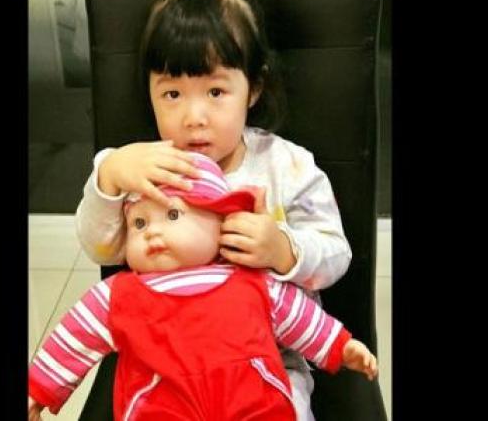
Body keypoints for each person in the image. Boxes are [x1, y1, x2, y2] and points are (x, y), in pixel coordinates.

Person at [75, 0, 353, 419]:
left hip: (269, 362)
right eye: (172, 93)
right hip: (162, 365)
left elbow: (337, 256)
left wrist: (283, 248)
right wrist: (110, 177)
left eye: (216, 91)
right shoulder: (140, 167)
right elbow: (101, 248)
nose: (194, 116)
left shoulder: (286, 166)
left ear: (254, 88)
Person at [29, 153, 376, 420]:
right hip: (161, 408)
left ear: (220, 223)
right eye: (139, 223)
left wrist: (340, 346)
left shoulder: (254, 282)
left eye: (173, 215)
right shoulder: (117, 295)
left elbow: (302, 320)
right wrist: (38, 391)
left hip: (253, 406)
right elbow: (72, 341)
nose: (151, 231)